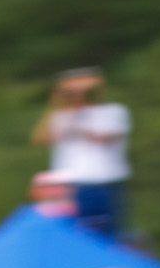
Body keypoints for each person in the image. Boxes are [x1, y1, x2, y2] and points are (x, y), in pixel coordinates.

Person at [30, 67, 131, 236]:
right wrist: (54, 106)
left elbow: (104, 138)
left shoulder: (113, 111)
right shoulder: (60, 115)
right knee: (71, 236)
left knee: (105, 236)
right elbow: (40, 139)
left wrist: (78, 114)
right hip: (67, 188)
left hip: (103, 185)